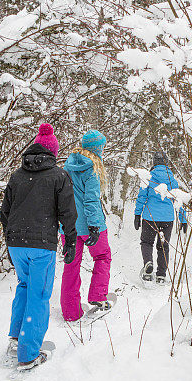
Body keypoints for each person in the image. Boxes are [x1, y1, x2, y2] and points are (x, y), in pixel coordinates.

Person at [0, 123, 77, 371]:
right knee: (39, 294)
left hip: (16, 243)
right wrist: (71, 240)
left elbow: (5, 213)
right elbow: (68, 213)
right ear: (53, 153)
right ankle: (29, 353)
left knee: (23, 286)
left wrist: (10, 239)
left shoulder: (17, 176)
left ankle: (15, 338)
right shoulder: (58, 176)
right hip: (41, 245)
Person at [60, 129, 113, 320]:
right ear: (97, 148)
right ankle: (98, 298)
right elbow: (91, 200)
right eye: (102, 147)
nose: (103, 151)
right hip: (91, 225)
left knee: (71, 266)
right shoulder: (92, 168)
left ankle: (70, 311)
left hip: (69, 226)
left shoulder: (67, 167)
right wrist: (94, 226)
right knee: (103, 256)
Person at [134, 151, 187, 283]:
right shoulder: (172, 180)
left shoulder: (148, 177)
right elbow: (178, 200)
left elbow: (142, 197)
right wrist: (183, 219)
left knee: (147, 242)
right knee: (163, 247)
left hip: (150, 217)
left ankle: (148, 265)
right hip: (167, 219)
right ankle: (161, 275)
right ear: (167, 163)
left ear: (154, 162)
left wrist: (137, 214)